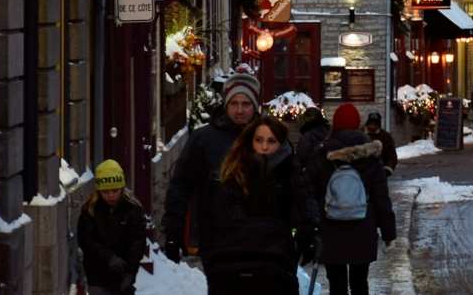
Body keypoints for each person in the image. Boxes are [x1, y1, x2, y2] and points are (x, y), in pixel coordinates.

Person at [163, 69, 261, 263]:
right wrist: (174, 232)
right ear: (226, 105)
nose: (239, 110)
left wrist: (306, 228)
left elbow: (292, 184)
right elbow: (180, 186)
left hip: (260, 240)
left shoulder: (268, 138)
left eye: (246, 104)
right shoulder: (204, 139)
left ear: (255, 106)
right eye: (234, 103)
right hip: (216, 239)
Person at [209, 115, 311, 294]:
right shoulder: (236, 172)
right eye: (259, 140)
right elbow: (222, 212)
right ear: (251, 141)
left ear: (281, 143)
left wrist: (307, 234)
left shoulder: (291, 172)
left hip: (278, 262)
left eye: (271, 141)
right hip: (238, 261)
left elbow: (303, 206)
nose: (264, 147)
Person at [307, 103, 397, 295]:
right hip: (363, 228)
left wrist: (311, 226)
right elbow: (381, 198)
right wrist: (389, 233)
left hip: (330, 229)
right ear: (358, 124)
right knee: (359, 282)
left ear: (335, 124)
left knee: (336, 284)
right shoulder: (371, 156)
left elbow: (310, 193)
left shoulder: (322, 154)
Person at [77, 160, 146, 295]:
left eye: (115, 190)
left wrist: (130, 273)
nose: (111, 195)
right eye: (105, 192)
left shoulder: (132, 209)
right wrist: (109, 257)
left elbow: (137, 243)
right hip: (97, 274)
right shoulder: (90, 210)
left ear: (122, 188)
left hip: (122, 274)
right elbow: (86, 240)